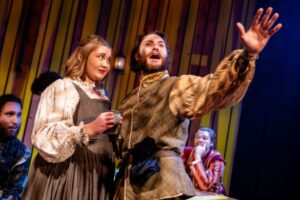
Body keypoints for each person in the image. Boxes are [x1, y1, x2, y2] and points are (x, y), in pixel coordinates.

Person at [114, 7, 282, 200]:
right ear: (137, 55)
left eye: (160, 45)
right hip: (126, 189)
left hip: (163, 187)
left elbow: (215, 87)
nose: (155, 47)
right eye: (149, 44)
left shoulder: (177, 87)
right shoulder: (128, 101)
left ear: (166, 55)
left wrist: (247, 56)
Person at [22, 34, 120, 200]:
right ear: (82, 56)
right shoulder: (63, 87)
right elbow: (44, 133)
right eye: (101, 57)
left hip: (97, 175)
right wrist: (87, 129)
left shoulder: (103, 96)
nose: (105, 64)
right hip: (68, 173)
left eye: (109, 60)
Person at [0, 94, 31, 200]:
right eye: (10, 114)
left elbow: (13, 192)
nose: (16, 121)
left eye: (18, 115)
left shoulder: (23, 153)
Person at [182, 127, 226, 195]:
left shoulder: (217, 159)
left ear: (211, 143)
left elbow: (207, 187)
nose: (200, 140)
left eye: (204, 138)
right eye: (197, 137)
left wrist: (198, 157)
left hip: (212, 195)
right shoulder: (187, 152)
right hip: (192, 192)